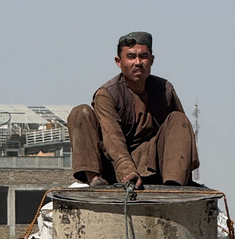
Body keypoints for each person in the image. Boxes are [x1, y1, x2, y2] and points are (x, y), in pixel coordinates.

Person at [67, 31, 199, 187]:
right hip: (114, 166)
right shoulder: (108, 94)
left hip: (152, 164)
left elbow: (181, 134)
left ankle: (174, 185)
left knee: (178, 119)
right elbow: (112, 137)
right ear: (119, 61)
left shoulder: (165, 90)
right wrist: (127, 172)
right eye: (131, 57)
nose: (138, 62)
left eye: (143, 57)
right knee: (80, 113)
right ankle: (94, 179)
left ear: (151, 60)